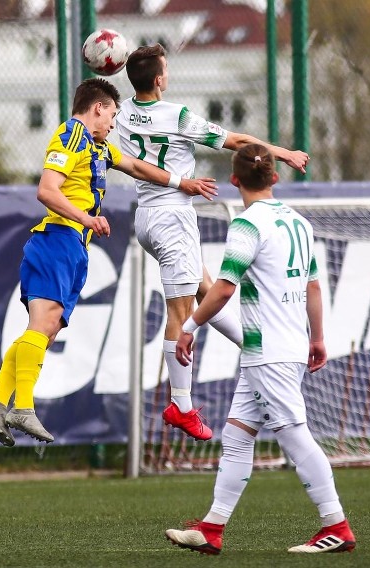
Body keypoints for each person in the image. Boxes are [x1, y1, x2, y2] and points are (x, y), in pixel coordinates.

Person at [0, 78, 217, 447]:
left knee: (47, 329)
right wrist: (86, 218)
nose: (113, 124)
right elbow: (46, 189)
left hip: (74, 246)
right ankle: (21, 406)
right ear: (98, 107)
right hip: (57, 238)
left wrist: (182, 182)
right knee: (44, 324)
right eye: (112, 115)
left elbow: (136, 166)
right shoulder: (71, 133)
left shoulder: (98, 145)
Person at [165, 145, 355, 555]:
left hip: (269, 351)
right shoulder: (300, 223)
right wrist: (317, 337)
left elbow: (224, 287)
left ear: (235, 180)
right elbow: (314, 287)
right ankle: (211, 529)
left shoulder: (247, 225)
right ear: (274, 177)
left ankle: (336, 525)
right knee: (237, 436)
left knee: (294, 436)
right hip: (274, 349)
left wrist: (190, 326)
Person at [116, 43, 310, 440]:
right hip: (173, 217)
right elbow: (238, 142)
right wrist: (283, 153)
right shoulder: (177, 116)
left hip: (147, 219)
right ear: (157, 80)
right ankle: (181, 405)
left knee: (205, 288)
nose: (168, 75)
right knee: (181, 312)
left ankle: (254, 346)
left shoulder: (120, 113)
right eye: (165, 70)